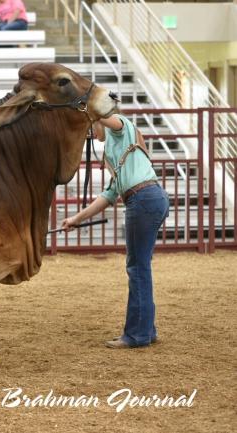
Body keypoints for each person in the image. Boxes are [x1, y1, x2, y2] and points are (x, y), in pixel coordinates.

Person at [61, 114, 169, 349]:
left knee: (137, 267)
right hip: (150, 198)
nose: (91, 133)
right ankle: (146, 330)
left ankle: (137, 335)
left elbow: (110, 118)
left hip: (141, 200)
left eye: (91, 127)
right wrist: (76, 219)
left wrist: (91, 107)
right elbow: (108, 196)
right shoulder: (115, 153)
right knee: (141, 266)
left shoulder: (121, 129)